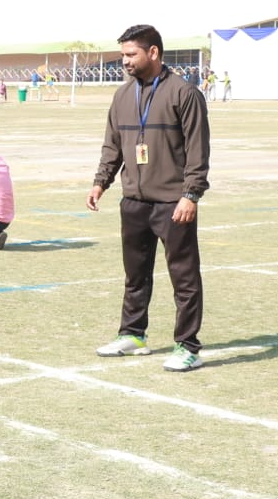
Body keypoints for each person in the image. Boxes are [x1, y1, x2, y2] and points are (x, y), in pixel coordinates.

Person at [87, 24, 211, 372]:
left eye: (131, 54)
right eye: (123, 55)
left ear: (153, 52)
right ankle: (133, 334)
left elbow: (198, 151)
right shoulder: (122, 96)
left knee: (184, 278)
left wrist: (191, 194)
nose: (125, 61)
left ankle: (187, 346)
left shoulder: (184, 93)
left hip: (174, 203)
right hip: (134, 202)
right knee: (135, 274)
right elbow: (113, 146)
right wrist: (100, 183)